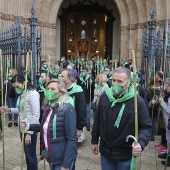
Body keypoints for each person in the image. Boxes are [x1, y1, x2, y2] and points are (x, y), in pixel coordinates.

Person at [91, 67, 152, 170]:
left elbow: (146, 127)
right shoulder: (105, 96)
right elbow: (98, 120)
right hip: (106, 152)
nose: (115, 84)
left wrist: (140, 143)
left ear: (128, 83)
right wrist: (94, 140)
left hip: (125, 155)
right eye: (114, 80)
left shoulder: (137, 101)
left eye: (120, 81)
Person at [21, 79, 77, 170]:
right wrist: (29, 126)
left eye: (53, 89)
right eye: (48, 88)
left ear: (60, 92)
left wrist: (66, 165)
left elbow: (72, 139)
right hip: (51, 156)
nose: (49, 91)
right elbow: (46, 127)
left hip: (62, 159)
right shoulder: (49, 108)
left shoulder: (67, 109)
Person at [0, 73, 40, 170]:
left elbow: (36, 114)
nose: (16, 89)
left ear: (24, 83)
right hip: (22, 128)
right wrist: (8, 110)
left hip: (29, 128)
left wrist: (30, 133)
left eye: (17, 86)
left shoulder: (33, 94)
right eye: (14, 87)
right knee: (27, 155)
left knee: (31, 156)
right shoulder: (23, 94)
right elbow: (21, 110)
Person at [61, 69, 86, 170]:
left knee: (71, 150)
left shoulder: (78, 91)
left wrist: (79, 128)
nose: (60, 78)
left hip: (73, 125)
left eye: (62, 76)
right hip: (61, 124)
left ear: (69, 79)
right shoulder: (61, 90)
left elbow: (81, 110)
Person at [77, 66, 95, 131]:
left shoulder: (90, 77)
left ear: (87, 72)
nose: (83, 72)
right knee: (82, 110)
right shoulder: (80, 78)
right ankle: (83, 122)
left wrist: (91, 83)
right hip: (82, 96)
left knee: (87, 111)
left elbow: (94, 86)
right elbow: (78, 86)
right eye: (82, 71)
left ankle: (87, 123)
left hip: (88, 96)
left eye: (85, 71)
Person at [158, 78, 170, 166]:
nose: (165, 86)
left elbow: (169, 110)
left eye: (167, 85)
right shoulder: (167, 94)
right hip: (167, 121)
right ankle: (168, 154)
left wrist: (162, 102)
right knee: (167, 138)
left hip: (169, 121)